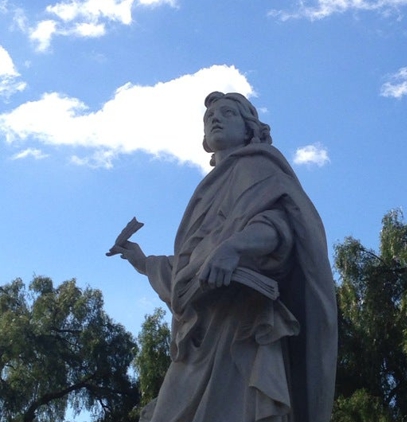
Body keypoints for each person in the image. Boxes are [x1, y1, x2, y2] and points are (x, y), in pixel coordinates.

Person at [114, 92, 337, 422]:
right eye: (209, 118)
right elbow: (189, 268)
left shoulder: (259, 167)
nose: (215, 119)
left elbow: (278, 227)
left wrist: (234, 248)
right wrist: (142, 261)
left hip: (243, 323)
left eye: (228, 113)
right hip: (199, 331)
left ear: (249, 129)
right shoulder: (208, 188)